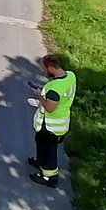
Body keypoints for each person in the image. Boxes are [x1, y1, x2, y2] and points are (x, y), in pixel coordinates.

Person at [26, 54, 77, 188]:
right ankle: (40, 161)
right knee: (41, 143)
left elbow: (49, 107)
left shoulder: (54, 88)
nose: (44, 71)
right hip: (61, 122)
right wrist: (44, 92)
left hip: (50, 127)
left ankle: (49, 177)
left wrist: (39, 95)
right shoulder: (71, 76)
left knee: (49, 151)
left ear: (50, 68)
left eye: (44, 68)